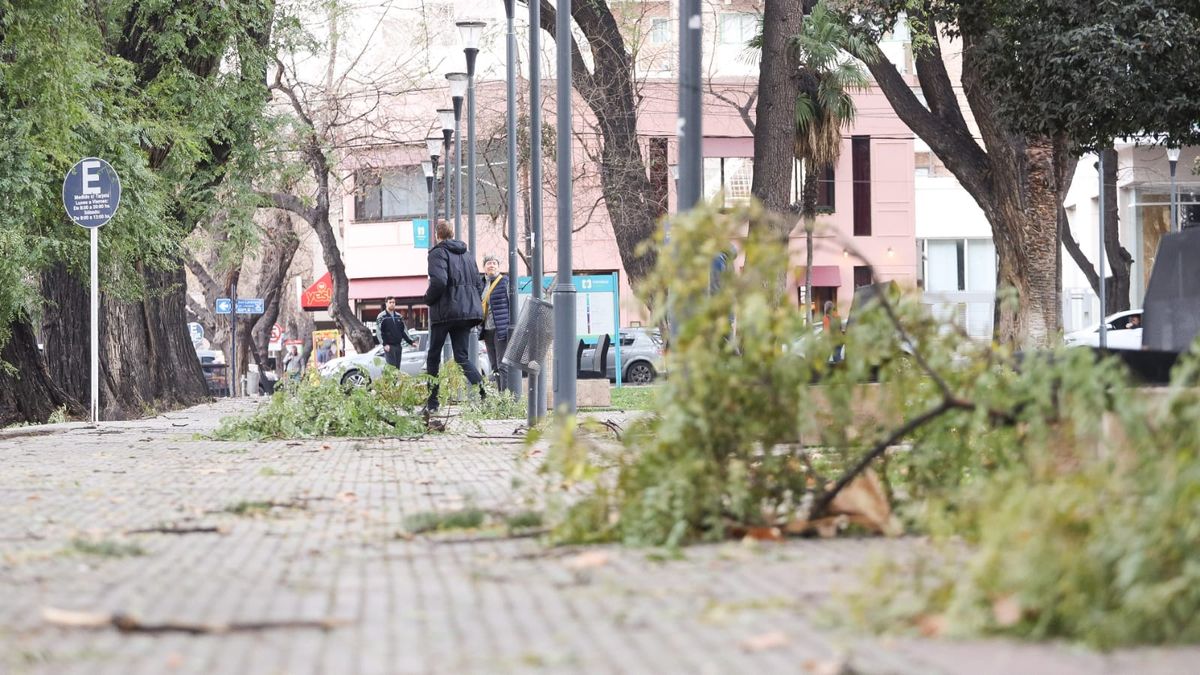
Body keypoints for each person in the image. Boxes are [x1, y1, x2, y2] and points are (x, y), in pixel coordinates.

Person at [422, 219, 486, 413]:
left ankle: (432, 403)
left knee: (433, 356)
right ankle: (485, 392)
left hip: (445, 312)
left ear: (437, 235)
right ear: (452, 233)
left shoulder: (437, 253)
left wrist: (428, 299)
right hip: (466, 313)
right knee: (461, 357)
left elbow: (439, 281)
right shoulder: (467, 255)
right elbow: (479, 284)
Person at [479, 255, 511, 388]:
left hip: (500, 329)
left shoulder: (504, 282)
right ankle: (500, 395)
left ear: (498, 266)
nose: (491, 265)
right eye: (488, 263)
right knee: (494, 366)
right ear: (484, 267)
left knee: (502, 364)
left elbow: (511, 304)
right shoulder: (481, 284)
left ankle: (505, 396)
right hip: (487, 330)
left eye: (494, 263)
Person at [377, 296, 417, 370]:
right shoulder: (381, 316)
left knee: (397, 369)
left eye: (393, 302)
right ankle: (390, 382)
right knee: (391, 369)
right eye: (390, 302)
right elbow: (379, 332)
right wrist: (384, 344)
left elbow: (404, 331)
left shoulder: (399, 316)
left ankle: (395, 382)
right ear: (386, 303)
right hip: (389, 346)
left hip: (398, 346)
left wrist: (411, 342)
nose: (392, 304)